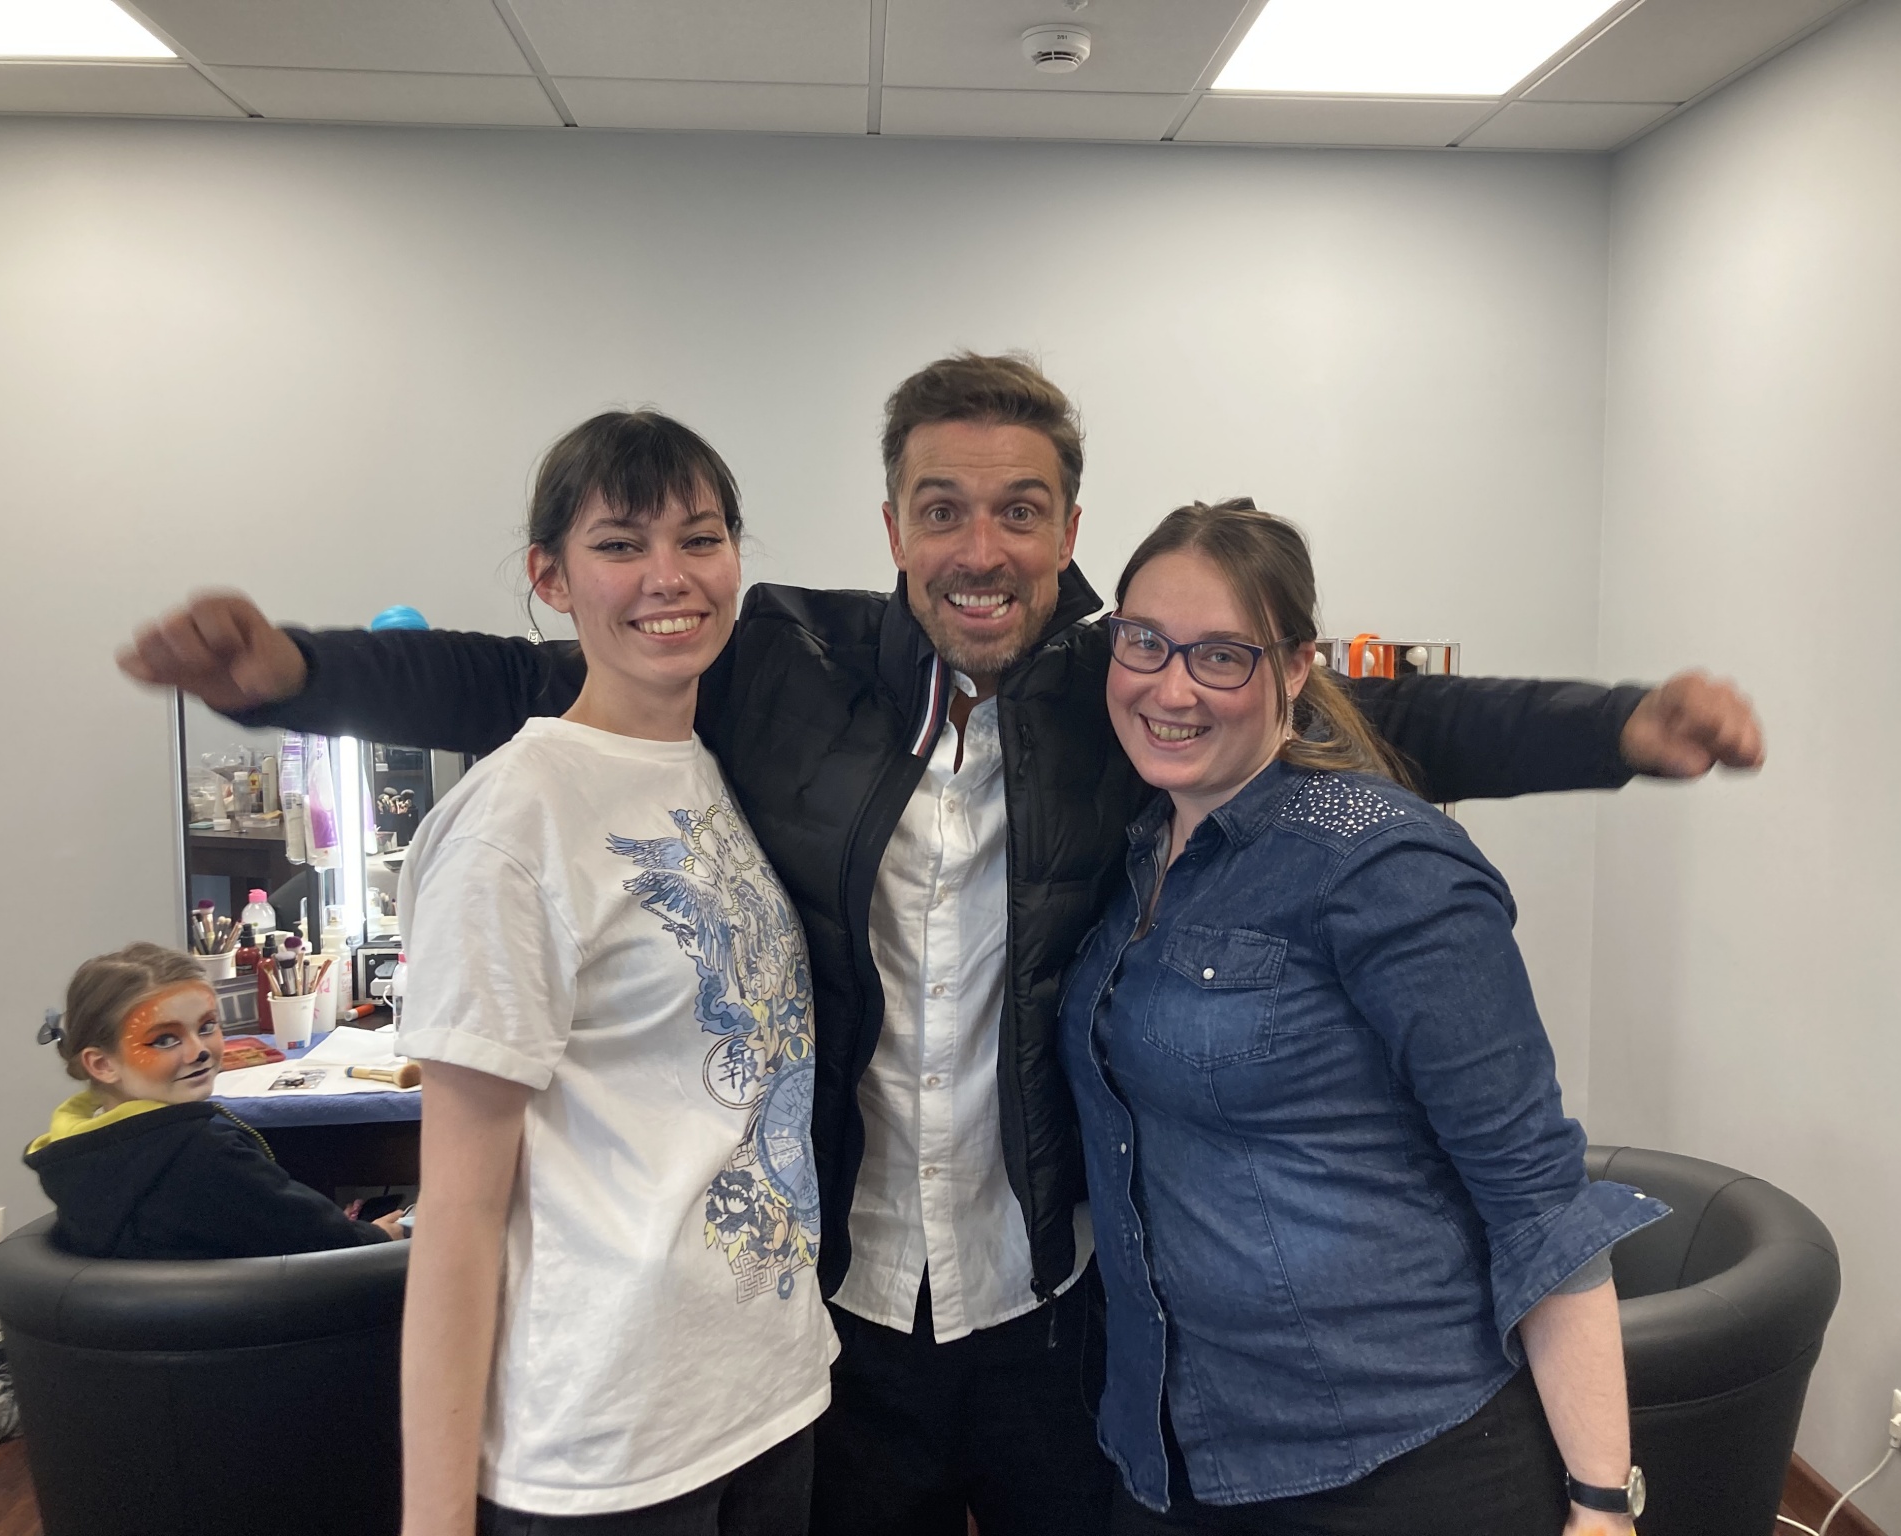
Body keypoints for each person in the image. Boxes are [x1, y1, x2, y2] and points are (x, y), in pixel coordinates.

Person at [117, 354, 1760, 1536]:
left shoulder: (1126, 688)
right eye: (944, 508)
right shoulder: (776, 665)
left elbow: (1359, 706)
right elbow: (521, 678)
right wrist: (289, 675)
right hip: (830, 1320)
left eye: (1021, 511)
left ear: (1068, 527)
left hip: (1051, 1308)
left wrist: (1618, 725)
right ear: (892, 524)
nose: (984, 548)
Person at [1059, 499, 1666, 1536]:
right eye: (1144, 641)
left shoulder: (1383, 863)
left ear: (1297, 668)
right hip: (1171, 1449)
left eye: (1221, 656)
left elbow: (1534, 1195)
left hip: (1391, 1461)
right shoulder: (1140, 847)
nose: (1171, 686)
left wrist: (1602, 1500)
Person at [390, 411, 837, 1536]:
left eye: (699, 538)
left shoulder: (704, 770)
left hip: (765, 1395)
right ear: (549, 577)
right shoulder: (514, 821)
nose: (668, 577)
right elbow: (457, 1215)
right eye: (621, 544)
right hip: (606, 1449)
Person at [25, 941, 402, 1259]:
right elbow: (321, 1239)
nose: (199, 1051)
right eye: (165, 1039)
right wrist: (379, 1236)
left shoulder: (74, 1150)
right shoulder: (204, 1155)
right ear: (102, 1064)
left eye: (206, 1027)